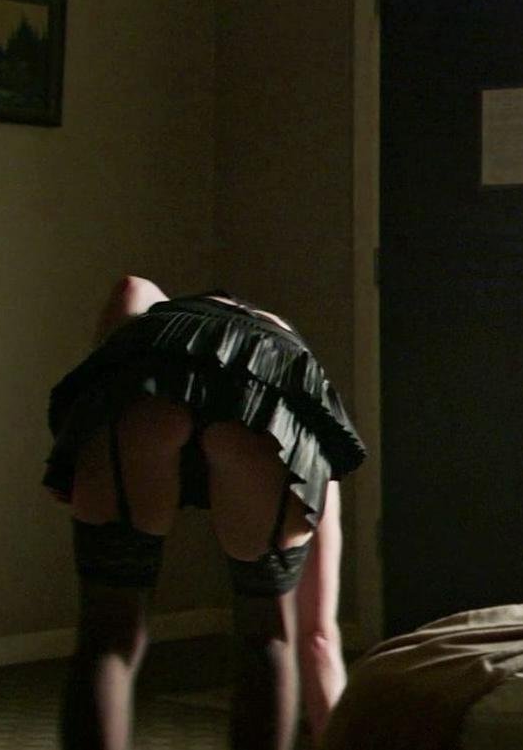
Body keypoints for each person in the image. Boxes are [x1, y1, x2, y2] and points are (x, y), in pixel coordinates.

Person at [45, 276, 367, 750]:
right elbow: (318, 639)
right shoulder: (307, 419)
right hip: (271, 399)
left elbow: (130, 289)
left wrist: (84, 442)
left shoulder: (168, 316)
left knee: (108, 633)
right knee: (267, 636)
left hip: (151, 369)